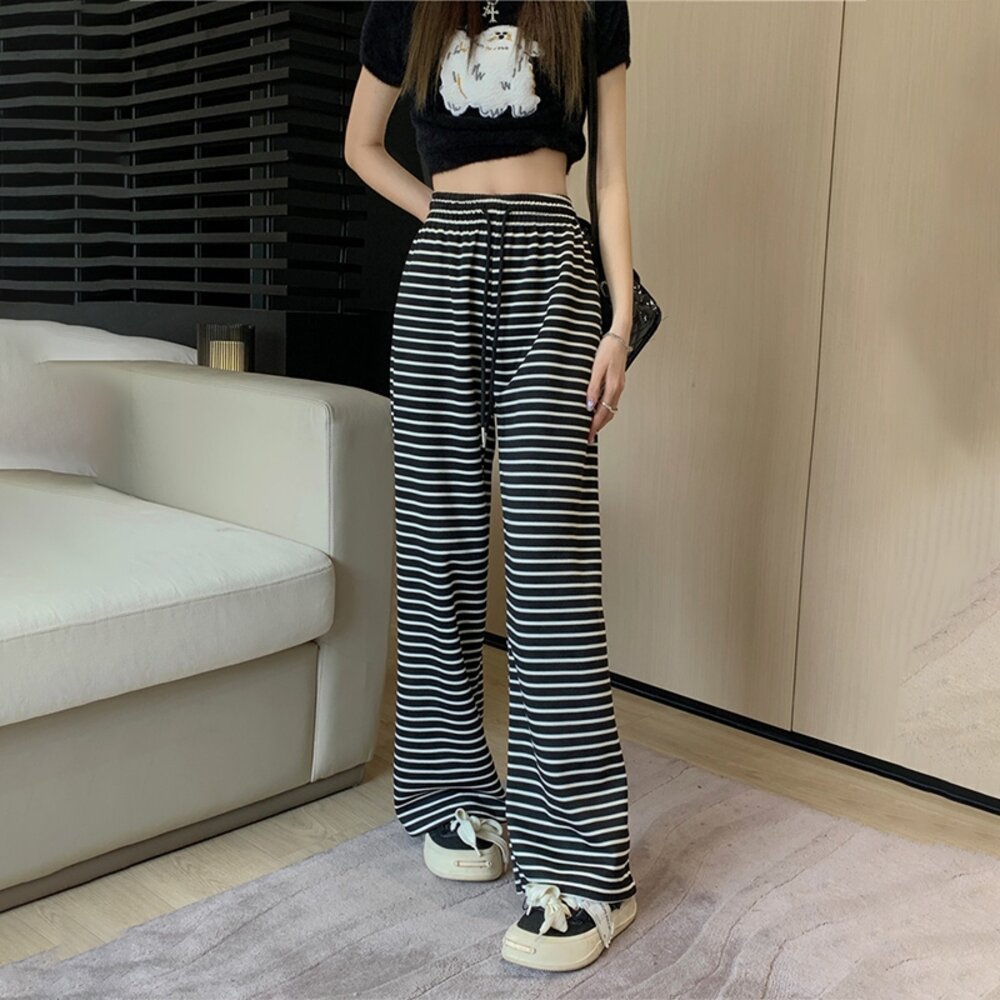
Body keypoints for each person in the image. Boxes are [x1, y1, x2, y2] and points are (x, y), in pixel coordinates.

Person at [345, 0, 637, 973]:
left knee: (552, 564)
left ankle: (587, 866)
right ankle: (450, 792)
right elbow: (361, 144)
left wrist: (615, 322)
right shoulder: (406, 7)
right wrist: (444, 217)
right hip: (442, 268)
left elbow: (611, 170)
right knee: (436, 543)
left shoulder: (590, 4)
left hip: (554, 264)